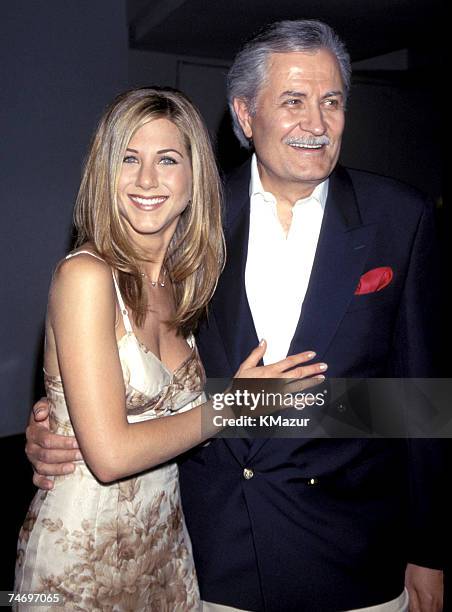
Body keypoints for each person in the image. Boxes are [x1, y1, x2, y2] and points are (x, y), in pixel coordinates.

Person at [25, 20, 445, 612]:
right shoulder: (187, 225)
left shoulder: (403, 217)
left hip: (353, 557)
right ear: (246, 117)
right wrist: (54, 426)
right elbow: (110, 370)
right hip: (213, 556)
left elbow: (421, 401)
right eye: (293, 101)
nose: (317, 123)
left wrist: (429, 549)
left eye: (331, 101)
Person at [16, 86, 326, 611]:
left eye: (167, 159)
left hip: (169, 552)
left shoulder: (189, 285)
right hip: (80, 562)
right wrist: (235, 406)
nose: (146, 180)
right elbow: (110, 455)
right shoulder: (86, 276)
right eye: (129, 159)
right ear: (105, 173)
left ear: (193, 180)